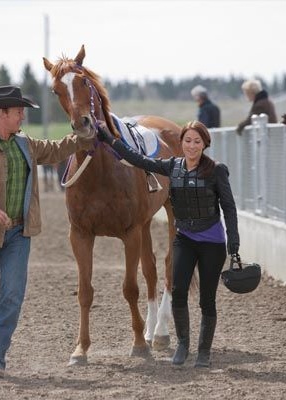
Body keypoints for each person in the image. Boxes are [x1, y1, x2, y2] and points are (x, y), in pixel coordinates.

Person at [0, 85, 94, 379]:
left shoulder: (24, 144)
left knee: (12, 297)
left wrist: (83, 135)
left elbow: (55, 150)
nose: (23, 117)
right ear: (0, 114)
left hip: (19, 234)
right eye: (18, 112)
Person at [96, 119, 240, 368]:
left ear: (205, 144)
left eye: (197, 141)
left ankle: (203, 351)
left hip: (211, 242)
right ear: (181, 143)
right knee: (179, 293)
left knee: (207, 300)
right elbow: (137, 159)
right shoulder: (172, 166)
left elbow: (228, 206)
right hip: (184, 240)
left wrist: (234, 241)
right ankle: (183, 345)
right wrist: (108, 138)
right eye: (187, 141)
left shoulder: (217, 170)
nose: (192, 146)